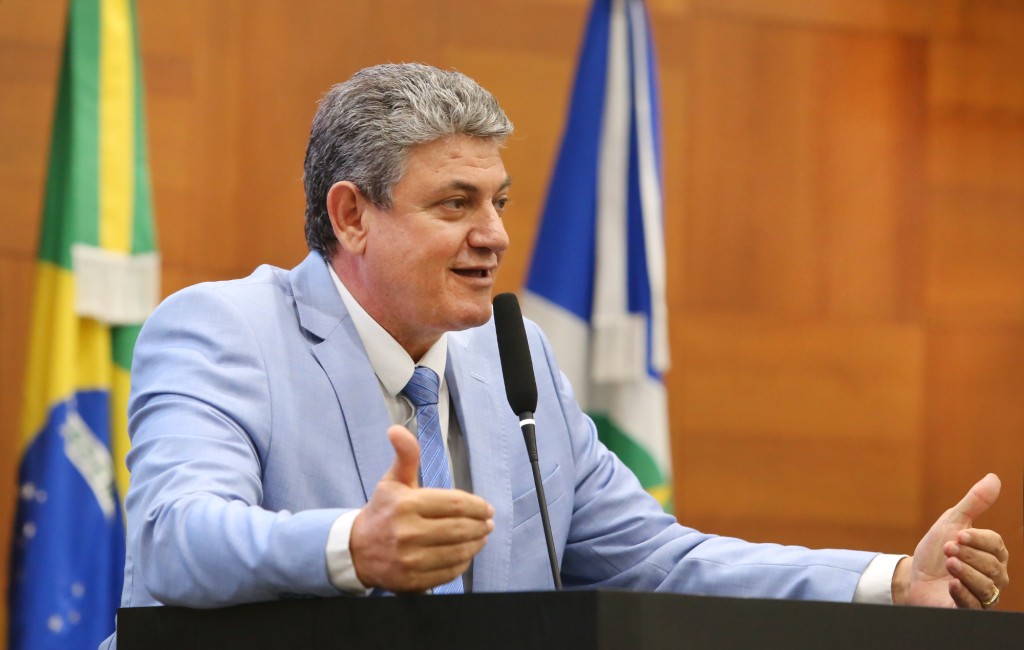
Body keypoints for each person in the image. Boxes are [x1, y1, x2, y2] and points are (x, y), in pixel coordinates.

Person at [104, 62, 1009, 645]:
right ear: (351, 217)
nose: (495, 236)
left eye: (499, 202)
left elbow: (657, 559)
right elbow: (175, 540)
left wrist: (891, 581)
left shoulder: (513, 356)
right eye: (455, 204)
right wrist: (354, 547)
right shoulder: (224, 329)